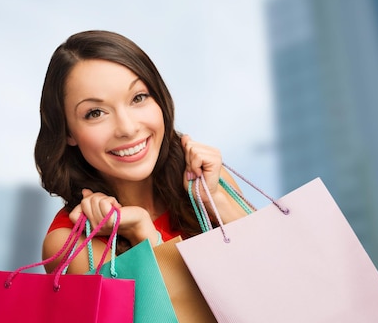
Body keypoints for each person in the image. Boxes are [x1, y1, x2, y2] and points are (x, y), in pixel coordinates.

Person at [35, 30, 248, 274]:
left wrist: (216, 200)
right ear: (67, 133)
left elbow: (277, 270)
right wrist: (144, 235)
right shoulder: (72, 244)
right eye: (95, 113)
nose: (127, 128)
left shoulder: (207, 182)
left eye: (138, 98)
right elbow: (182, 312)